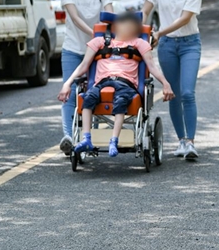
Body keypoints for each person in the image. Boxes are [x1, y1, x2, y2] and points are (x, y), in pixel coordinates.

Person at [57, 13, 174, 156]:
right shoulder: (99, 41)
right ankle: (86, 139)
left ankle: (114, 140)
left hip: (126, 84)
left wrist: (165, 84)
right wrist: (67, 84)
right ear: (116, 27)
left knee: (121, 101)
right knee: (88, 98)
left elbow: (152, 67)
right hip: (102, 82)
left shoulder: (140, 43)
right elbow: (83, 66)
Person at [142, 0, 202, 161]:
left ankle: (191, 142)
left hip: (189, 44)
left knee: (187, 92)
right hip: (167, 45)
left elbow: (185, 18)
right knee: (173, 94)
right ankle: (181, 141)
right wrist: (140, 30)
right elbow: (146, 9)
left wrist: (158, 33)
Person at [59, 0, 114, 156]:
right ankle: (68, 137)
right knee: (71, 92)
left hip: (98, 52)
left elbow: (109, 15)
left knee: (96, 93)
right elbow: (75, 18)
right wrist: (96, 33)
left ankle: (90, 137)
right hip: (73, 49)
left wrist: (107, 32)